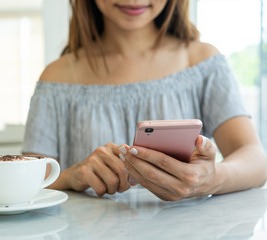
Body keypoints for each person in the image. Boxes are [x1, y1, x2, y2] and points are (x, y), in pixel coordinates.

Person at [22, 0, 267, 201]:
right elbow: (25, 185)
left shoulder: (202, 61)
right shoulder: (56, 77)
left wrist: (210, 179)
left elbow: (256, 160)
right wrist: (70, 177)